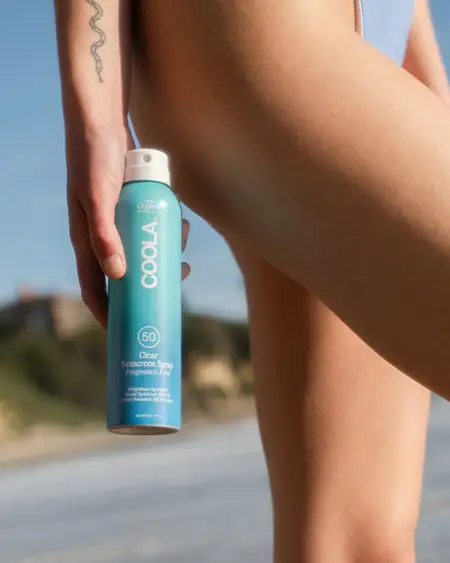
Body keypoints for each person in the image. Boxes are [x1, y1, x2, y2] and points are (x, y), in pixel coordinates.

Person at [54, 1, 449, 561]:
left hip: (380, 36)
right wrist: (94, 117)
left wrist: (422, 70)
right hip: (264, 28)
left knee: (356, 545)